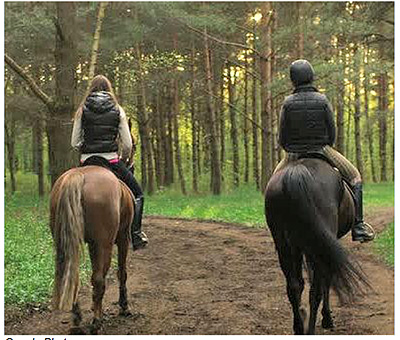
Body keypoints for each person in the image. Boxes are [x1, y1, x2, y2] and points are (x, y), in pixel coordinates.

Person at [275, 59, 375, 243]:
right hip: (322, 149)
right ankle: (358, 226)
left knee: (272, 186)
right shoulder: (322, 100)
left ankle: (276, 223)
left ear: (293, 80)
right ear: (311, 77)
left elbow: (282, 137)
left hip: (293, 154)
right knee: (355, 178)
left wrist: (291, 149)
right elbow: (332, 132)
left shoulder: (287, 103)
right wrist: (324, 145)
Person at [71, 75, 148, 251]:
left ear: (91, 89)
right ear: (108, 89)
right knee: (138, 194)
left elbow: (74, 143)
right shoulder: (117, 109)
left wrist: (86, 148)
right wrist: (122, 158)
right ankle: (135, 234)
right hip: (111, 160)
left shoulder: (82, 110)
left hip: (87, 160)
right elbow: (128, 144)